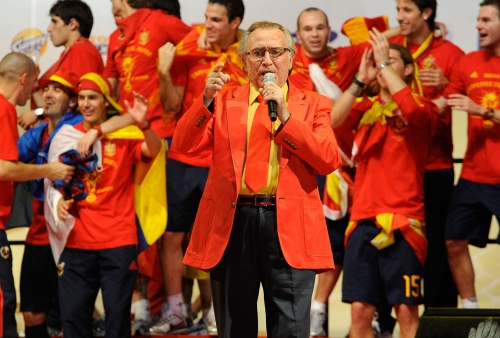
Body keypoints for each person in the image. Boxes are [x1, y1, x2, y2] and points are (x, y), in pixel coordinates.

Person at [173, 21, 340, 338]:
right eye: (258, 52)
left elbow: (328, 159)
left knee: (290, 327)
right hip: (233, 223)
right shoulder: (223, 100)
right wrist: (205, 100)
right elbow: (182, 145)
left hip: (290, 225)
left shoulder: (314, 105)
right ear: (243, 60)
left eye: (276, 52)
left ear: (291, 58)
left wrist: (287, 116)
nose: (267, 60)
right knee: (235, 327)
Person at [330, 31, 437, 338]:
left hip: (404, 222)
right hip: (362, 220)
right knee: (360, 312)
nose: (380, 67)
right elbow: (334, 121)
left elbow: (412, 109)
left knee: (406, 313)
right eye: (377, 62)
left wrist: (383, 61)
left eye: (389, 63)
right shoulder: (365, 109)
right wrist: (359, 80)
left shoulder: (423, 108)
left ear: (406, 69)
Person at [150, 0, 246, 334]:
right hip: (183, 157)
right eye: (206, 17)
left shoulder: (247, 54)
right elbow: (173, 103)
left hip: (224, 160)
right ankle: (176, 311)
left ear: (235, 23)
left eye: (217, 19)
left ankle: (213, 311)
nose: (208, 24)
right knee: (172, 235)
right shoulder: (190, 47)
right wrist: (164, 71)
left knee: (215, 237)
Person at [44, 72, 163, 337]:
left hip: (117, 242)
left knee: (117, 322)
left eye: (93, 98)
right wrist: (58, 201)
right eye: (82, 98)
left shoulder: (125, 134)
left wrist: (144, 126)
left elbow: (153, 152)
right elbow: (52, 180)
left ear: (105, 102)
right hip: (76, 242)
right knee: (73, 319)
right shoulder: (65, 136)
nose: (86, 103)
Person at [390, 0, 464, 309]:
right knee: (391, 241)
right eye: (398, 10)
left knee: (436, 242)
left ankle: (439, 315)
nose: (399, 16)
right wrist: (404, 28)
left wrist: (446, 85)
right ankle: (386, 316)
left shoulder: (451, 54)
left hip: (434, 165)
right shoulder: (391, 48)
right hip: (396, 165)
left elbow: (459, 97)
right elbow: (353, 32)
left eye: (407, 10)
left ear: (427, 12)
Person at [0, 52, 74, 338]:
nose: (37, 94)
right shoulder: (5, 109)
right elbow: (5, 168)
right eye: (38, 86)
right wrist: (50, 170)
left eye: (57, 89)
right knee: (5, 303)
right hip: (26, 230)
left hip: (48, 230)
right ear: (24, 79)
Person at [435, 0, 500, 309]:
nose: (478, 25)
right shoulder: (470, 61)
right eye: (477, 19)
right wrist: (405, 109)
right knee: (453, 242)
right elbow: (444, 102)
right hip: (474, 176)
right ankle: (470, 308)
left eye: (485, 19)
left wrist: (482, 110)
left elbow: (473, 106)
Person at [18, 69, 81, 338]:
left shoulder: (80, 128)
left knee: (71, 316)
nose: (48, 93)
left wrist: (41, 112)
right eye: (46, 89)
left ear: (73, 100)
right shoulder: (40, 132)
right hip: (39, 229)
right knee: (32, 313)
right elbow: (12, 157)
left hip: (71, 232)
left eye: (57, 89)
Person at [18, 0, 104, 129]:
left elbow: (81, 104)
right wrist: (35, 85)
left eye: (54, 21)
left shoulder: (82, 51)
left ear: (72, 24)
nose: (48, 28)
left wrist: (39, 113)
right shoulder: (70, 52)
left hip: (72, 137)